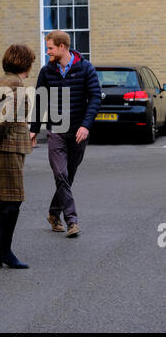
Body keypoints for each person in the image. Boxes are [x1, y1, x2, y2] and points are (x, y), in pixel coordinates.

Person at [30, 30, 101, 237]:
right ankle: (72, 221)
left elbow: (95, 98)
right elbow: (40, 99)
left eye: (50, 48)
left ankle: (53, 213)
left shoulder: (86, 68)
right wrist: (34, 129)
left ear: (62, 47)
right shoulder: (46, 71)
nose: (47, 51)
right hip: (56, 130)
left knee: (67, 177)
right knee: (60, 174)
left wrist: (86, 125)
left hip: (79, 131)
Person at [0, 43, 35, 269]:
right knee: (14, 199)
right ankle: (4, 251)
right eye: (30, 61)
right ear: (25, 63)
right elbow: (5, 119)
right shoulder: (16, 85)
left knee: (5, 198)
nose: (32, 65)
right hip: (7, 149)